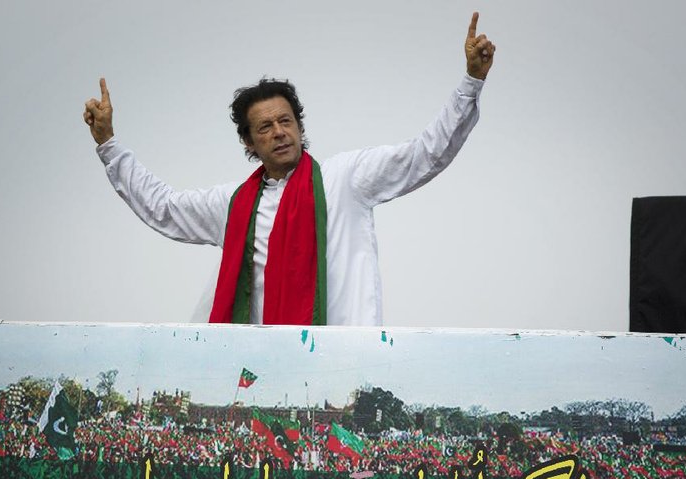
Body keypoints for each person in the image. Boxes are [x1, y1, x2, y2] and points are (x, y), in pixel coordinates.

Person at [84, 12, 495, 327]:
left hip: (342, 364)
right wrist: (109, 145)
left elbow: (425, 154)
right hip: (260, 372)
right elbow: (164, 208)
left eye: (286, 121)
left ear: (300, 127)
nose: (279, 133)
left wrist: (470, 84)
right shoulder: (232, 204)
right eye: (265, 127)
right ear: (249, 142)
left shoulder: (346, 179)